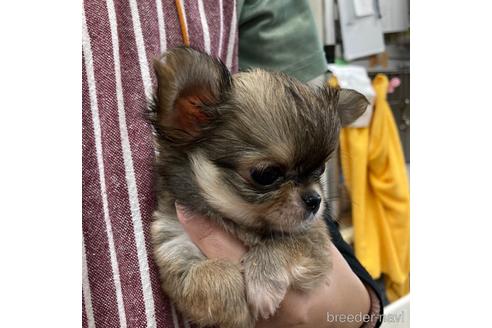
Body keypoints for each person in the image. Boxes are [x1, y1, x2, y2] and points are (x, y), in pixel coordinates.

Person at [82, 0, 383, 326]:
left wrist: (358, 307)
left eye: (318, 172)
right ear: (189, 118)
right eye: (266, 175)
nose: (312, 196)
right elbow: (189, 281)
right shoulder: (176, 218)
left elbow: (320, 246)